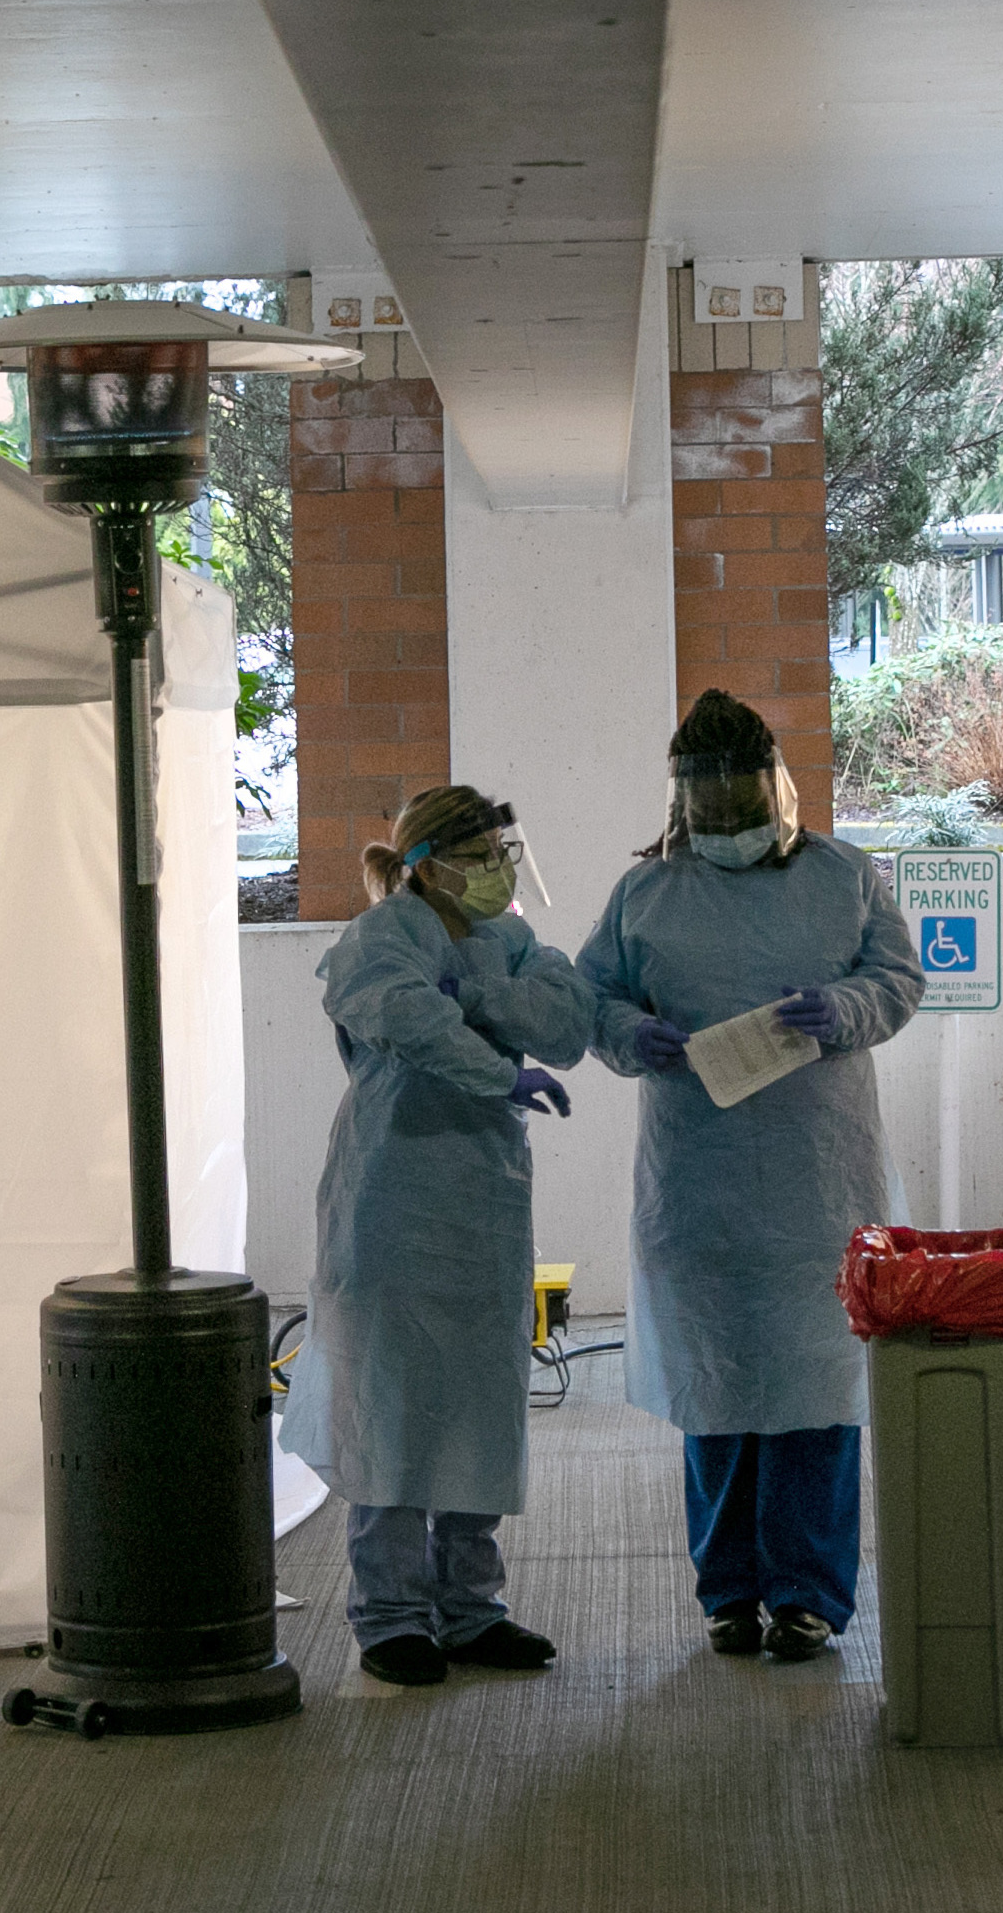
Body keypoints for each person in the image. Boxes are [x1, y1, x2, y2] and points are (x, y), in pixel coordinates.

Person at [578, 690, 924, 1663]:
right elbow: (592, 992)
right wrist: (625, 1034)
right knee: (718, 1389)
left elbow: (898, 980)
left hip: (822, 1178)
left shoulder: (844, 877)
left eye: (743, 797)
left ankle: (808, 1596)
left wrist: (845, 1010)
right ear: (684, 802)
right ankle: (729, 1593)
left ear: (779, 786)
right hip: (703, 1182)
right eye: (711, 802)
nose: (729, 820)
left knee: (819, 1390)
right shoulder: (648, 896)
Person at [288, 783, 594, 1688]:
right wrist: (488, 1059)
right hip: (393, 1192)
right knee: (391, 1400)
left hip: (481, 1199)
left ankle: (470, 1609)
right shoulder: (379, 939)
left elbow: (567, 1021)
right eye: (487, 854)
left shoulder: (506, 939)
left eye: (508, 851)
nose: (503, 871)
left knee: (474, 1400)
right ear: (430, 865)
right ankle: (390, 1616)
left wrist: (482, 995)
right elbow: (407, 1020)